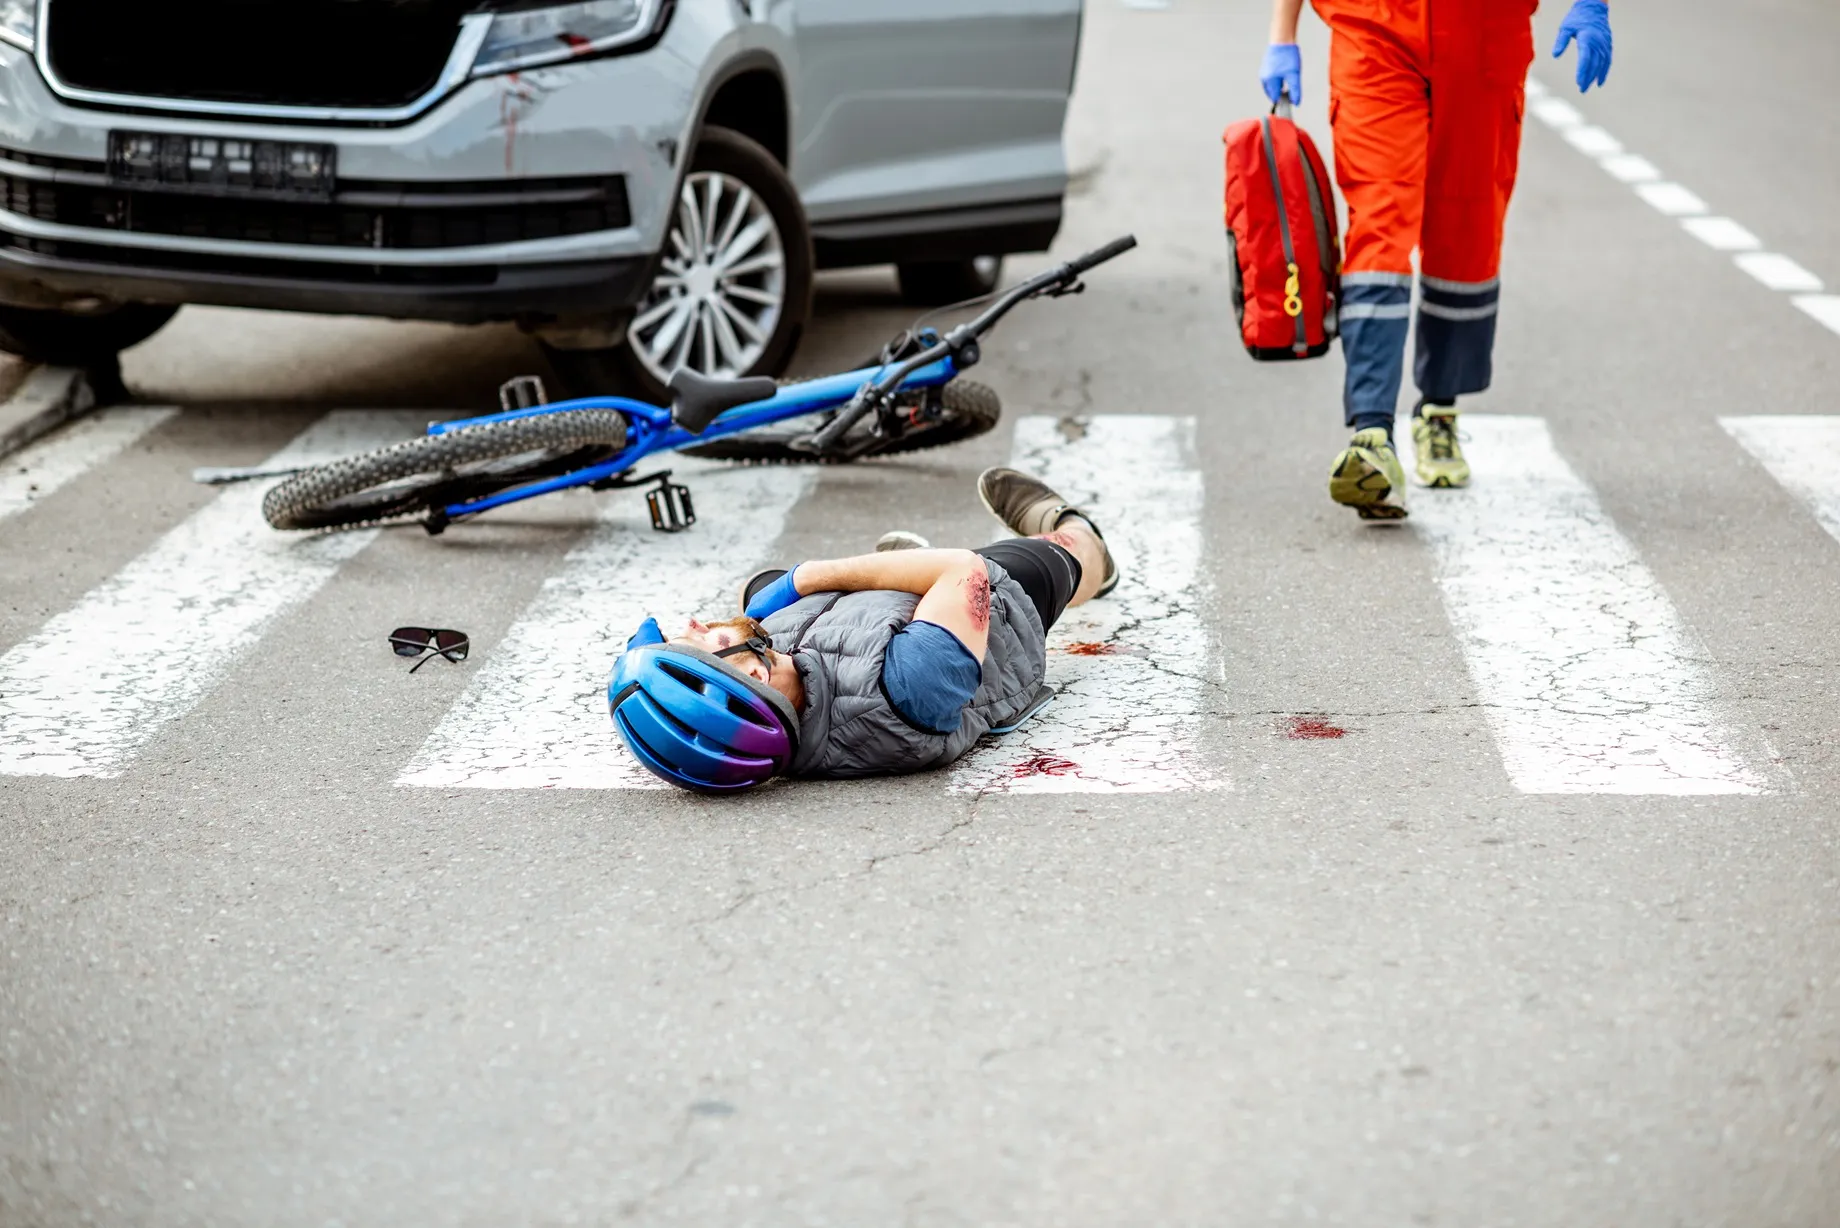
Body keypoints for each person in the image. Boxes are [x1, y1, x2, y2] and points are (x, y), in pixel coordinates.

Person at [1259, 0, 1614, 518]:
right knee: (1378, 223)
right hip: (1373, 30)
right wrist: (1281, 34)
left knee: (1466, 233)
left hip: (1484, 34)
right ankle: (1372, 434)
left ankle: (1439, 408)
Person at [607, 467, 1119, 791]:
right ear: (754, 679)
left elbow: (760, 612)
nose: (695, 623)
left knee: (755, 592)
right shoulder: (907, 686)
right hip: (994, 606)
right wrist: (811, 574)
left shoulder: (774, 689)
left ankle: (898, 569)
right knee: (1062, 559)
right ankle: (1078, 533)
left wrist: (770, 601)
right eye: (700, 641)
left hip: (858, 623)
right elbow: (964, 572)